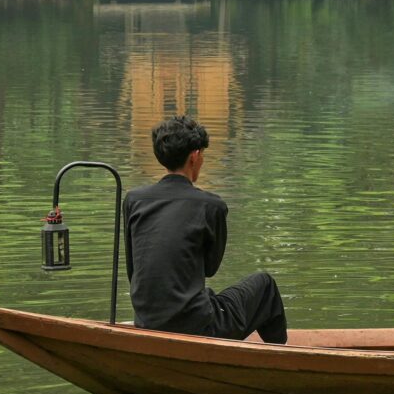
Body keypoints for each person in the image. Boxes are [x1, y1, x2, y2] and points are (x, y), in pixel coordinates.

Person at [123, 114, 288, 343]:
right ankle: (280, 354)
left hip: (146, 322)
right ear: (195, 156)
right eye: (203, 155)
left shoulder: (134, 200)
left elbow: (134, 269)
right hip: (197, 326)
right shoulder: (211, 206)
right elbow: (210, 268)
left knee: (208, 299)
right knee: (265, 286)